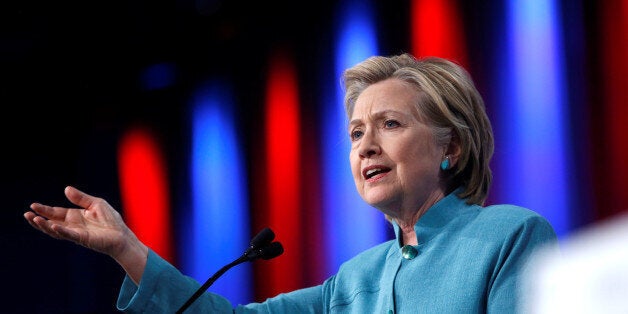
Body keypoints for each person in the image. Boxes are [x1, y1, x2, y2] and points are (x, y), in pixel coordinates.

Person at [24, 53, 559, 313]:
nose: (365, 146)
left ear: (452, 147)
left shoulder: (510, 237)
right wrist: (127, 248)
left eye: (390, 124)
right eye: (355, 133)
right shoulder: (351, 284)